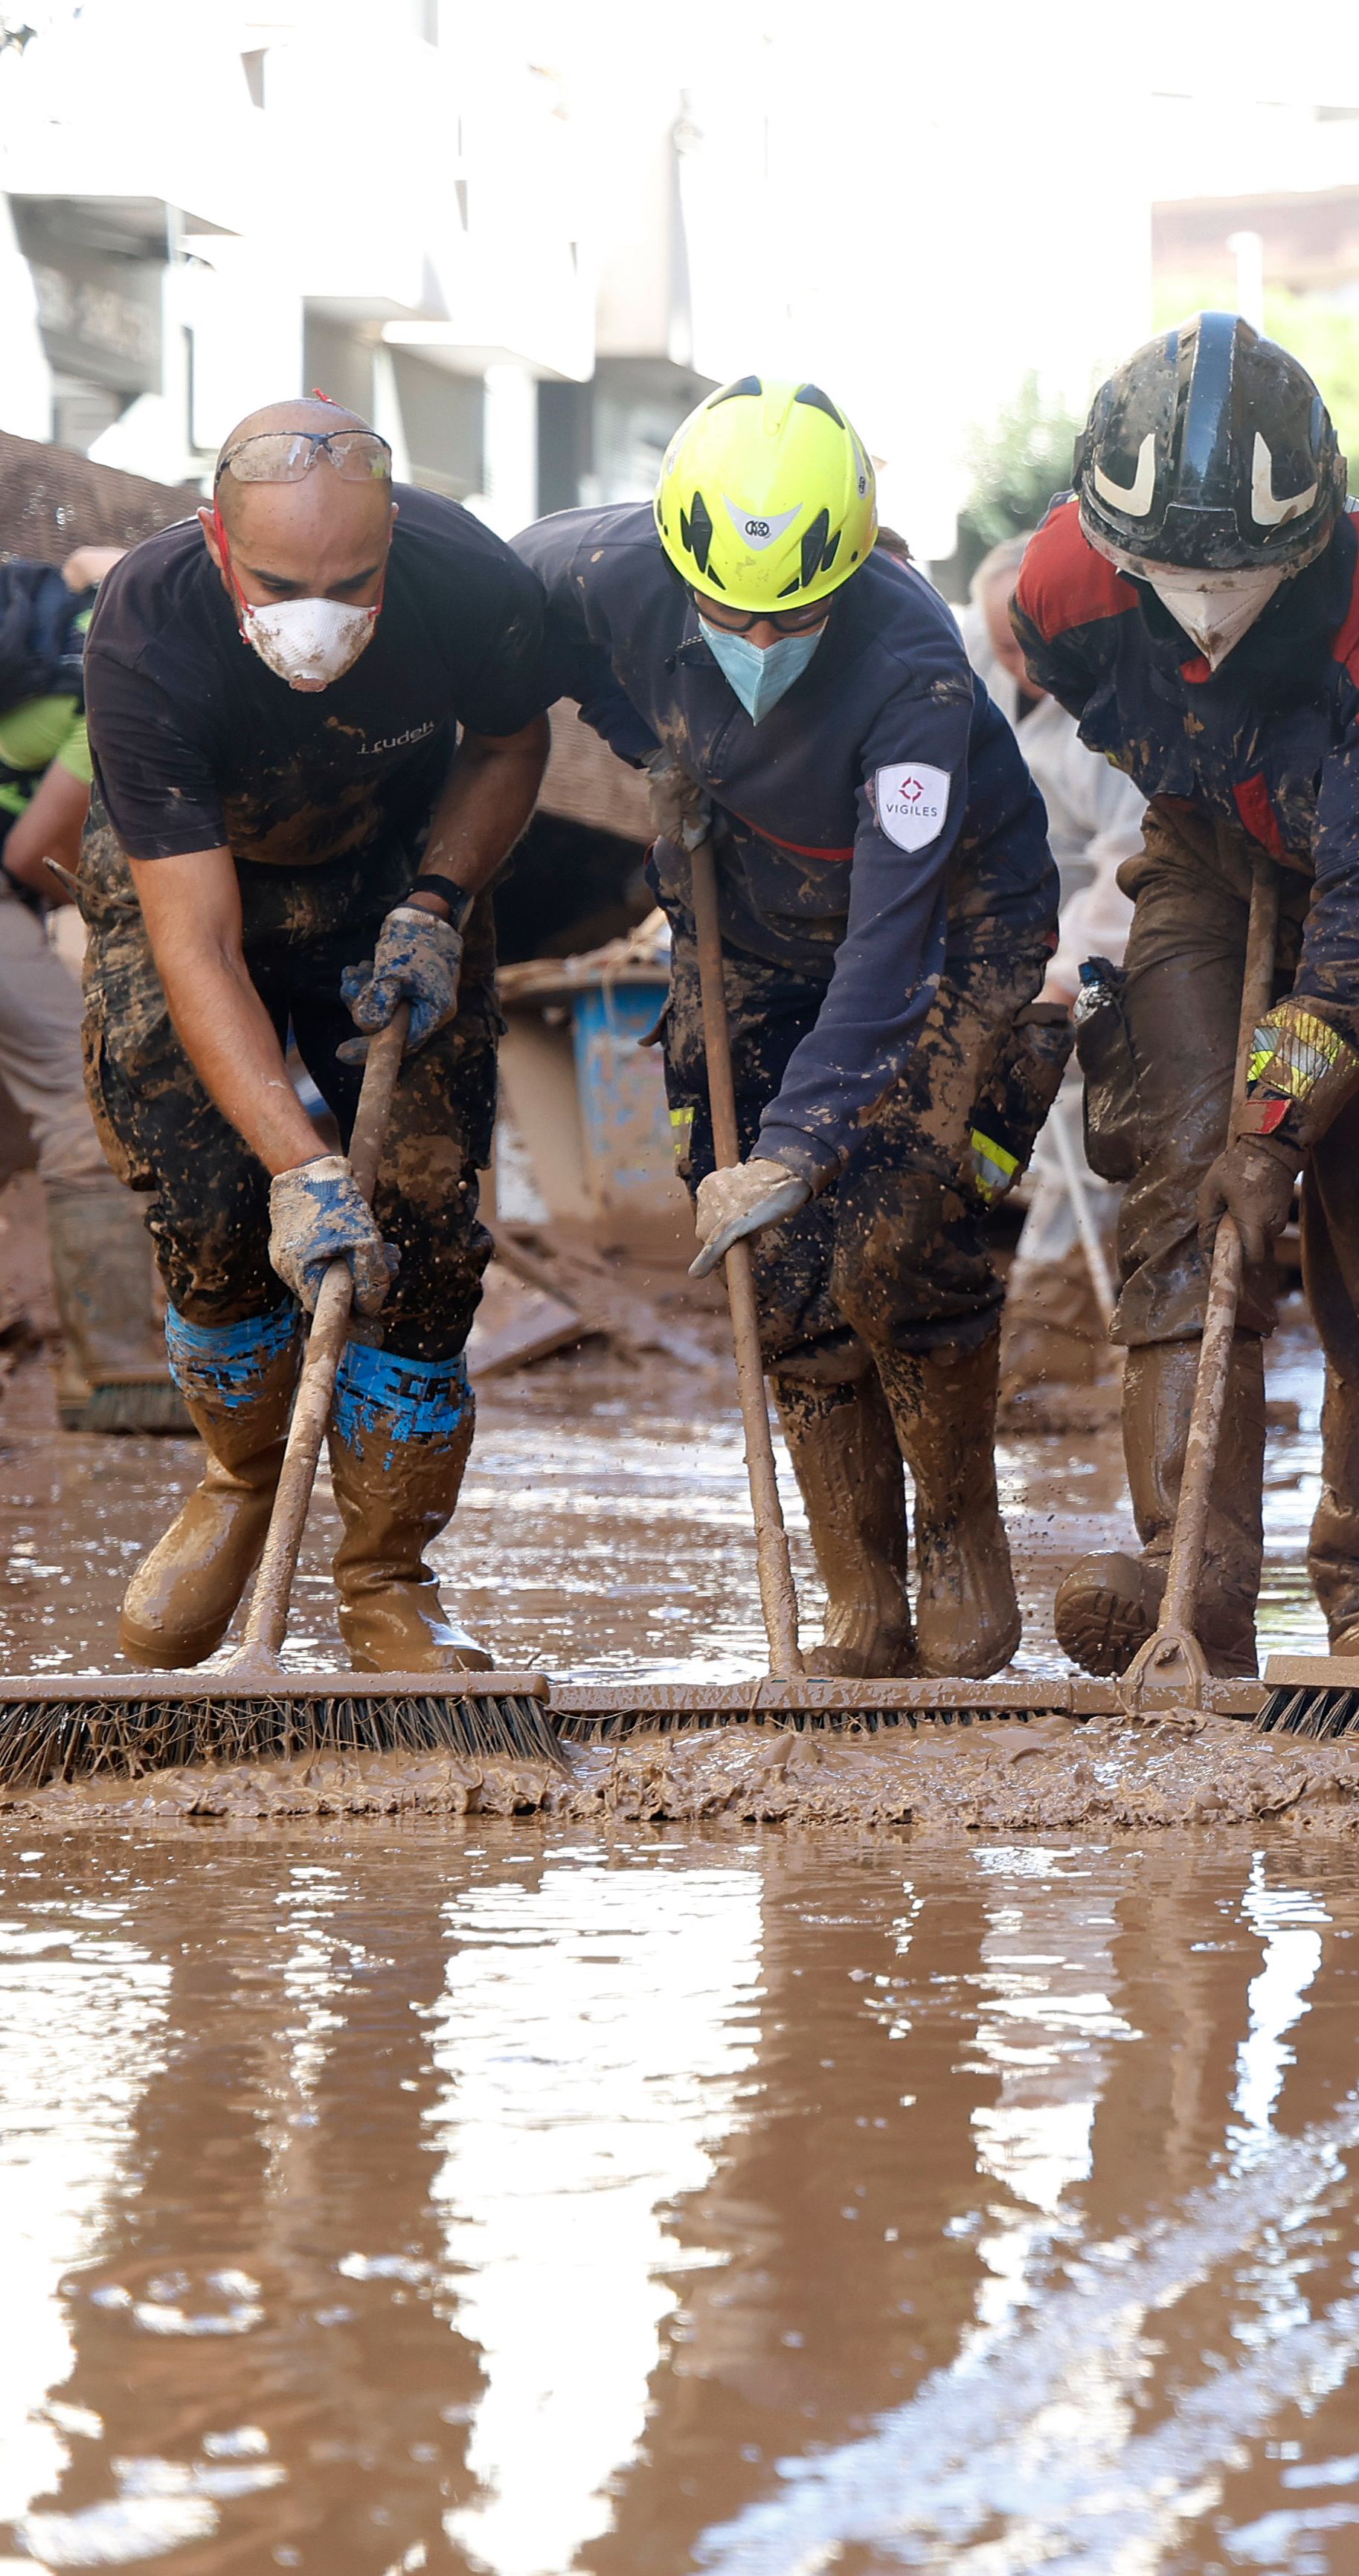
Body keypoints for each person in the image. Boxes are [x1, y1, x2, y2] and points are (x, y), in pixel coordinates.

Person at [1013, 312, 1359, 1675]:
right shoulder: (1056, 594)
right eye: (1169, 574)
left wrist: (1279, 1120)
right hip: (1211, 843)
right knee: (1182, 1177)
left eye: (1236, 576)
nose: (1203, 604)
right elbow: (1127, 731)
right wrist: (1227, 1131)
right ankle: (1193, 1576)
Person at [518, 377, 1059, 1678]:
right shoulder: (586, 569)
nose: (756, 632)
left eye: (791, 611)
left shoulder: (913, 674)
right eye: (725, 609)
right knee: (772, 1263)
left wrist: (802, 1136)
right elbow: (509, 644)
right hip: (743, 925)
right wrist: (651, 742)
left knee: (885, 1238)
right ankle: (858, 1587)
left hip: (946, 935)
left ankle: (959, 1532)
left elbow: (887, 954)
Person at [81, 398, 553, 1670]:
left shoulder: (468, 579)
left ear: (394, 536)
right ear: (219, 543)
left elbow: (513, 740)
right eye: (283, 581)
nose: (319, 612)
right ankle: (242, 1479)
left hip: (389, 873)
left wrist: (439, 900)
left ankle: (387, 1574)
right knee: (209, 1195)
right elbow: (197, 944)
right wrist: (299, 1167)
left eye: (352, 579)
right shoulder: (147, 627)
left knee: (421, 1212)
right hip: (196, 877)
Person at [0, 544, 191, 1432]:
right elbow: (36, 852)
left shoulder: (71, 629)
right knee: (84, 1102)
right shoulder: (119, 671)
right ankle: (117, 1375)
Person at [962, 529, 1143, 1392]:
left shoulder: (1104, 720)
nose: (1019, 667)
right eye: (1003, 650)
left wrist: (1070, 968)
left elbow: (1127, 859)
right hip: (1000, 933)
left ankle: (1052, 1329)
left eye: (1027, 649)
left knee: (1077, 1102)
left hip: (1094, 948)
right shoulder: (981, 684)